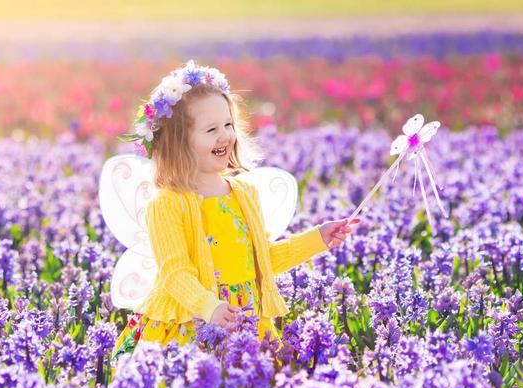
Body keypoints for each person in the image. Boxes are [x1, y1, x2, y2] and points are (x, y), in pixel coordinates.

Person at [111, 60, 359, 360]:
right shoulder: (168, 202)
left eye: (228, 125)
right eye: (211, 129)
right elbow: (175, 273)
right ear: (178, 143)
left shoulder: (243, 194)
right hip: (194, 321)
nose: (225, 136)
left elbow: (261, 259)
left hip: (245, 317)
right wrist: (209, 306)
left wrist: (317, 239)